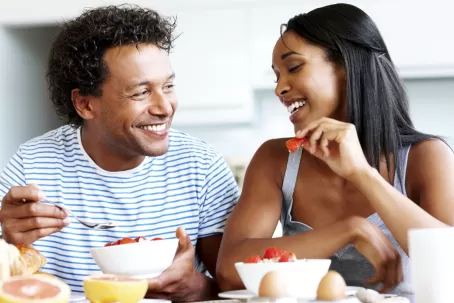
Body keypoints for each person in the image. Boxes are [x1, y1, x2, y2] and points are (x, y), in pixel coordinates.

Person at [0, 4, 239, 301]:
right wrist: (8, 242)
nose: (164, 107)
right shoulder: (31, 166)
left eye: (168, 86)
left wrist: (194, 287)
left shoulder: (201, 166)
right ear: (86, 104)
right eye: (141, 92)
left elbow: (238, 287)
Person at [216, 3, 454, 296]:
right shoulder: (275, 160)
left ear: (346, 65)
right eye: (277, 75)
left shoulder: (426, 157)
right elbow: (229, 271)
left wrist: (362, 174)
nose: (279, 89)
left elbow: (451, 265)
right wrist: (348, 230)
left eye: (293, 68)